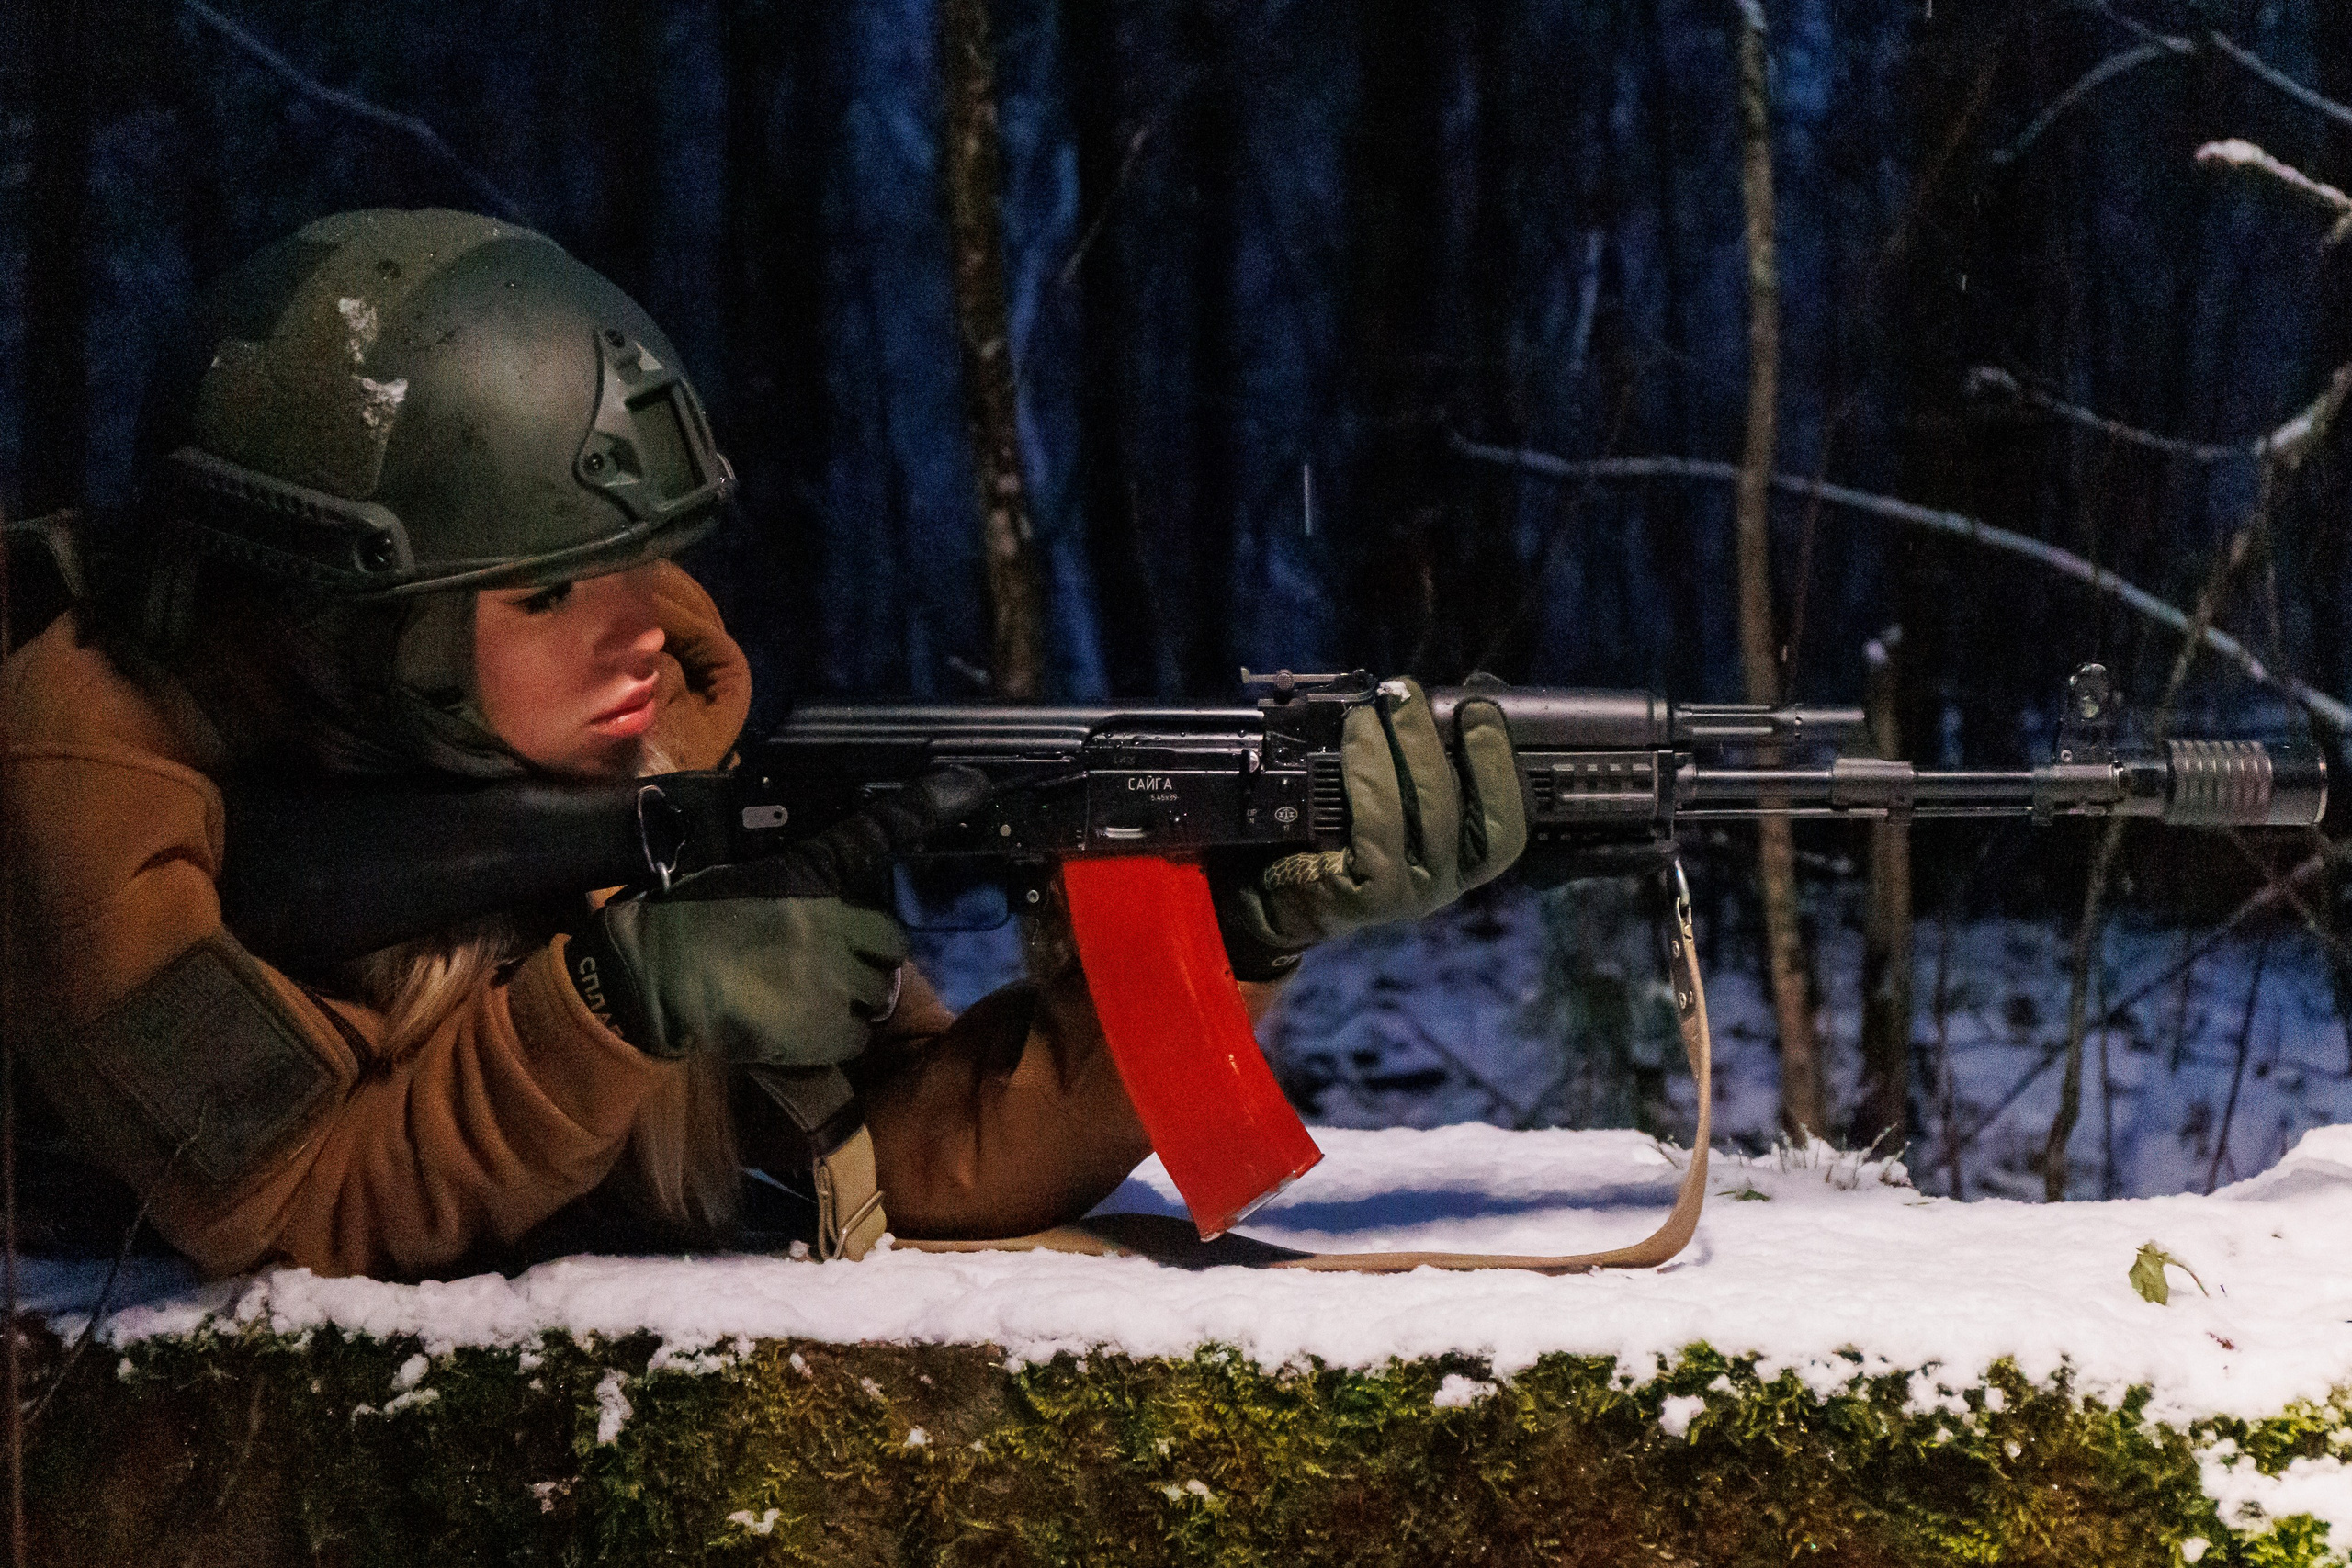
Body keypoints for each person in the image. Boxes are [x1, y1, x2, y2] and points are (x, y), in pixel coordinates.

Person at [1, 209, 1527, 1282]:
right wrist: (610, 1000)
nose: (647, 629)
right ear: (352, 622)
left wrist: (1234, 922)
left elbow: (913, 1157)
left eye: (642, 558)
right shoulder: (96, 781)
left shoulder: (626, 746)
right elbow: (285, 1207)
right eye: (547, 590)